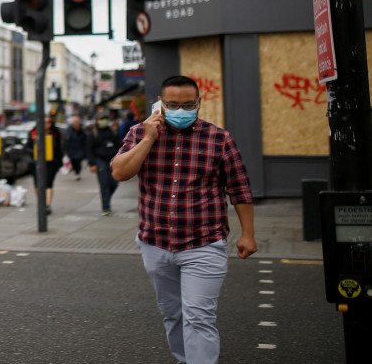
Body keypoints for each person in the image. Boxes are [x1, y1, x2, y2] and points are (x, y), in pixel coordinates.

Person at [111, 75, 256, 364]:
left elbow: (239, 189)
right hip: (155, 243)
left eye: (188, 104)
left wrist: (248, 233)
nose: (181, 110)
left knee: (199, 315)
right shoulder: (140, 134)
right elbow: (119, 172)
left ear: (199, 103)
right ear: (160, 104)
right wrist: (149, 138)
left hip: (203, 243)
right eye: (173, 104)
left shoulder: (219, 138)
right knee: (173, 313)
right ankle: (185, 359)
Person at [87, 114, 121, 216]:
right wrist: (92, 163)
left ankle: (106, 199)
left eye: (106, 119)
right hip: (100, 160)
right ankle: (106, 206)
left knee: (114, 183)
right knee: (104, 183)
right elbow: (89, 149)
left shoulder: (113, 132)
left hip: (112, 160)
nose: (104, 121)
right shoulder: (94, 133)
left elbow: (119, 145)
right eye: (102, 119)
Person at [38, 116, 63, 214]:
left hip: (52, 163)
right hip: (38, 163)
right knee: (39, 185)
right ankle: (42, 203)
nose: (46, 124)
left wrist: (59, 163)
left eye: (48, 122)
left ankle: (47, 205)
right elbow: (29, 146)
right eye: (44, 122)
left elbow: (59, 149)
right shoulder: (35, 133)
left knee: (48, 183)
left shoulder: (55, 134)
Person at [63, 116, 89, 181]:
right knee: (73, 162)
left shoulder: (82, 130)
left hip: (79, 149)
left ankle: (78, 172)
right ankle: (76, 172)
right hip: (71, 150)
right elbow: (66, 140)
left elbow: (85, 140)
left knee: (78, 162)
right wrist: (65, 150)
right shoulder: (69, 130)